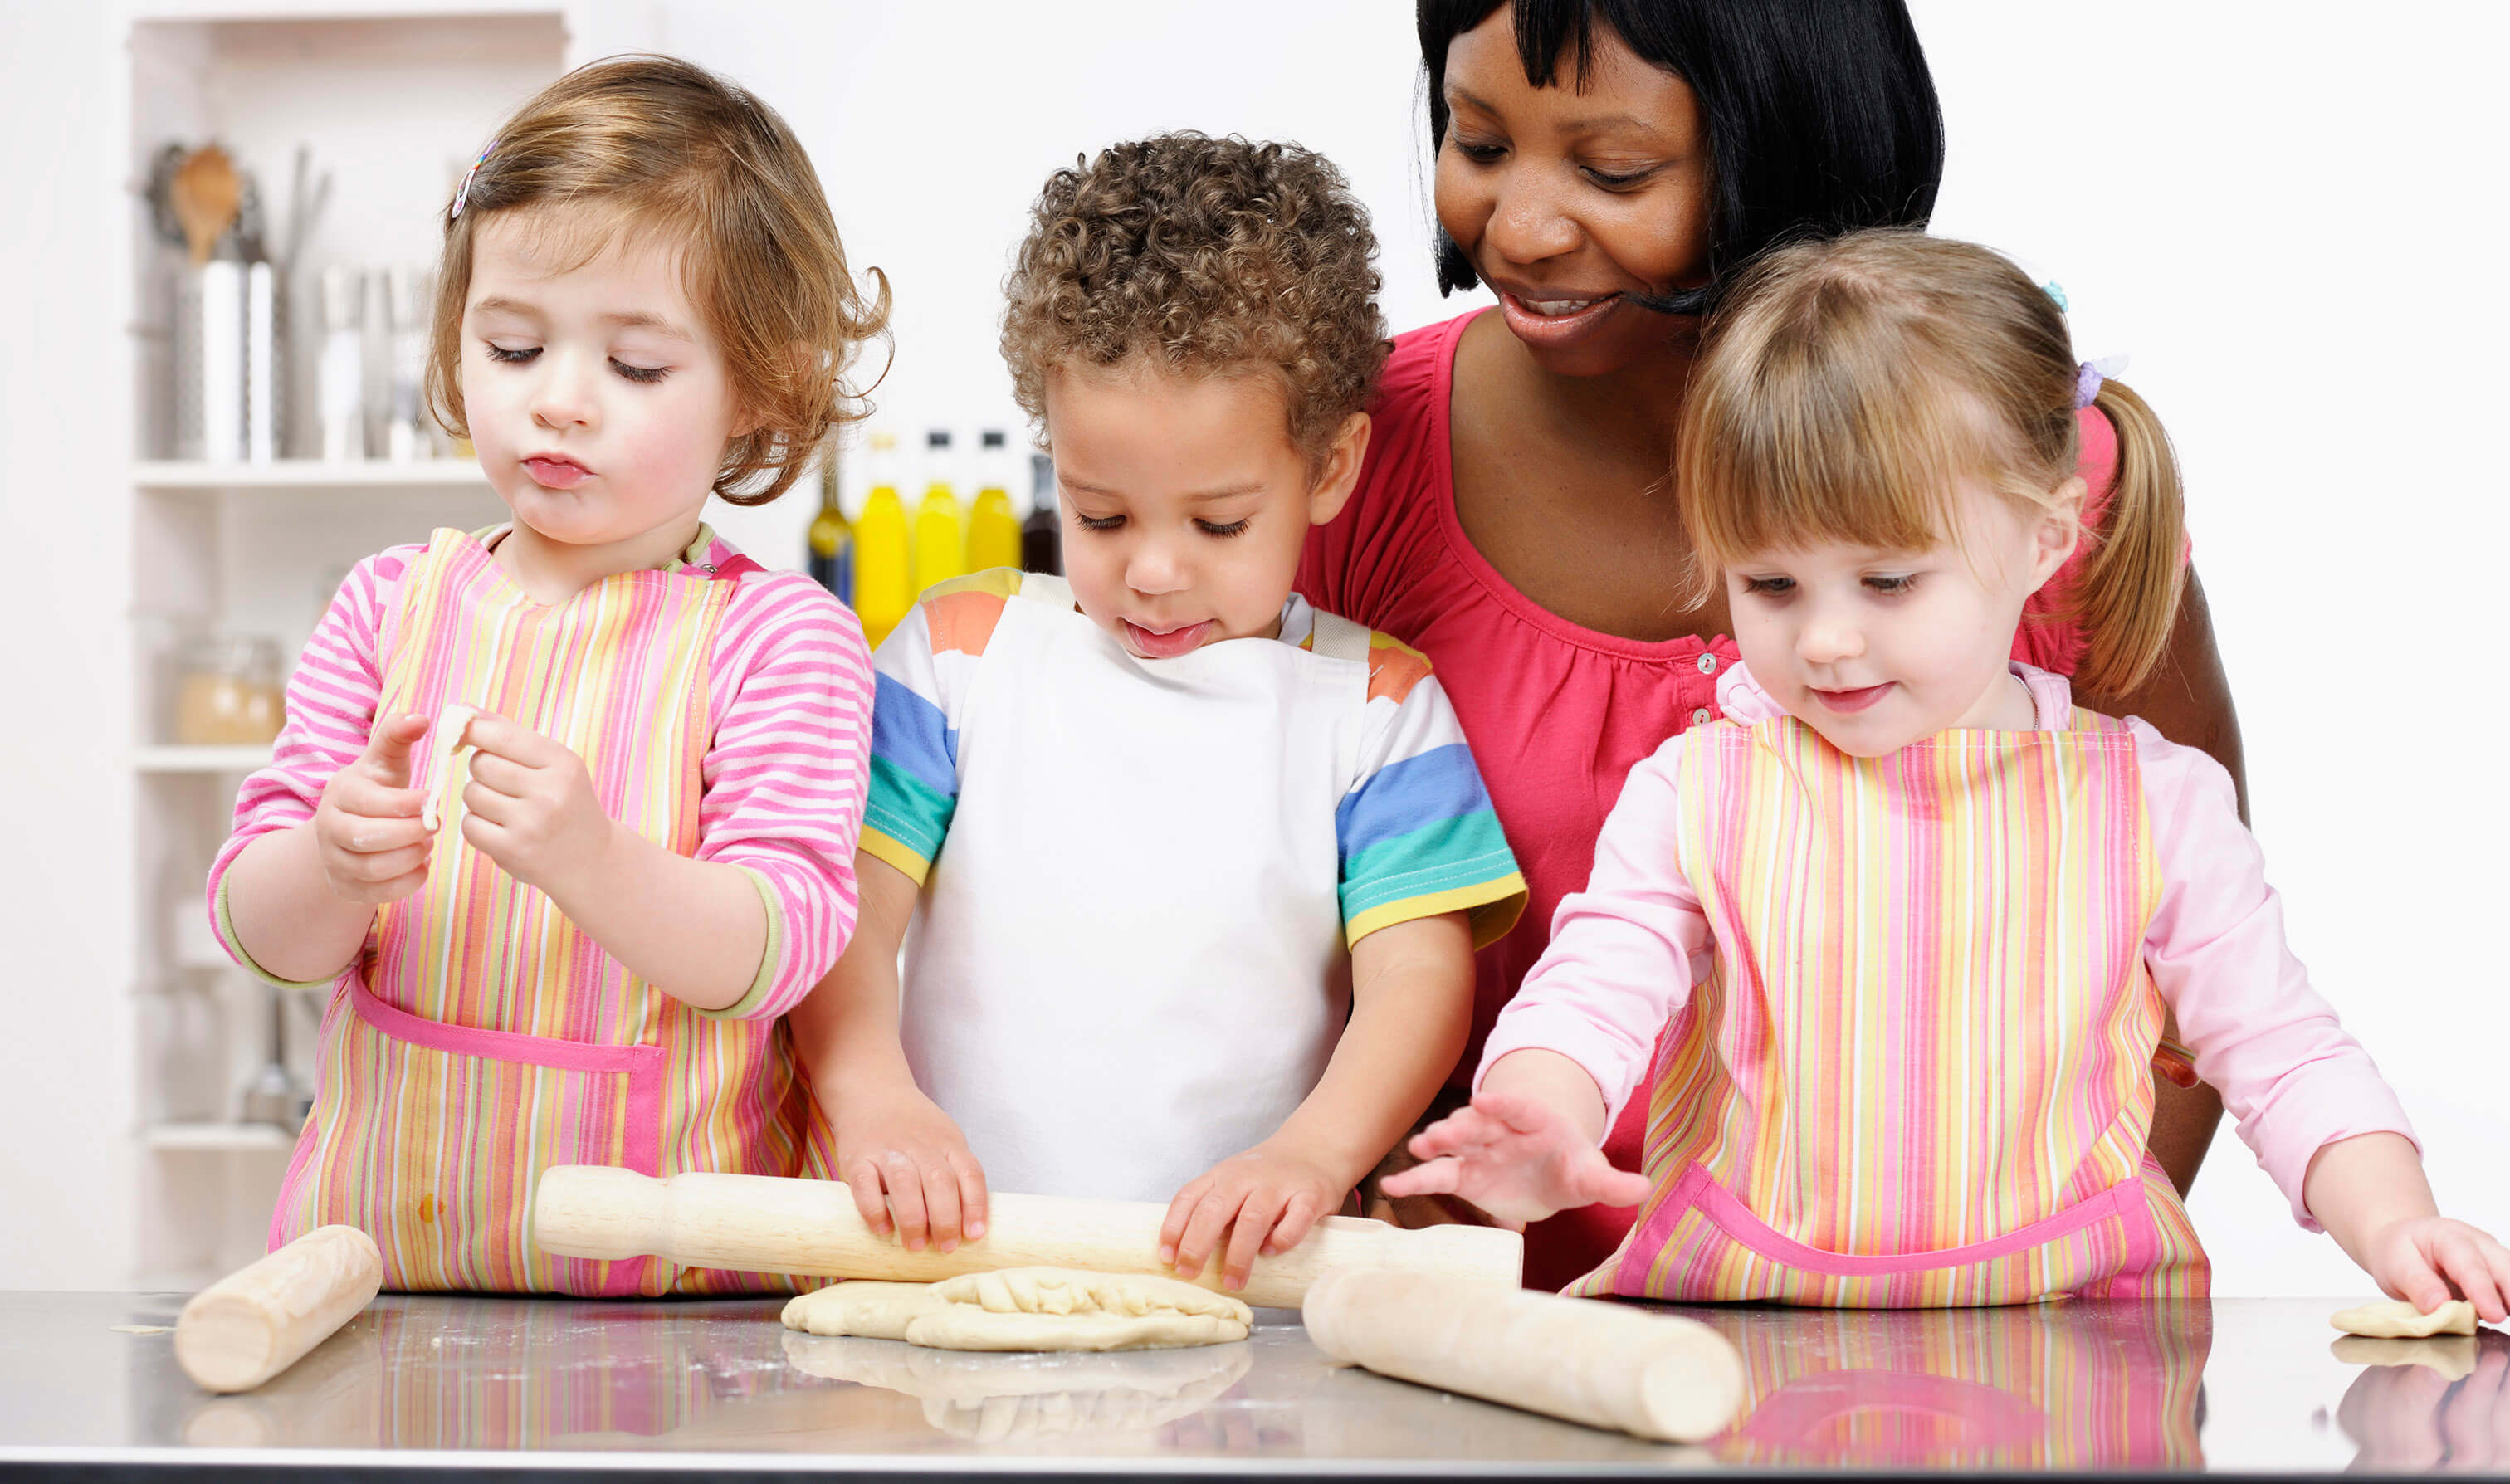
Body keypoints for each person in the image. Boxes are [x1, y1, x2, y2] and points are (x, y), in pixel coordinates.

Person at [1386, 230, 2510, 1318]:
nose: (1824, 640)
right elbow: (1600, 982)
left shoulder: (2152, 807)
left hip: (2070, 1340)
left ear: (2045, 540)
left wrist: (2397, 1222)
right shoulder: (1698, 791)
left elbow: (2281, 1050)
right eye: (1770, 585)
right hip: (1741, 1324)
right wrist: (1538, 1105)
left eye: (1887, 582)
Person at [1298, 0, 2241, 1289]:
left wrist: (2035, 1297)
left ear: (1786, 153)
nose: (1518, 228)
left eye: (1611, 168)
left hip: (1956, 1330)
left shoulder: (2037, 480)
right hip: (1480, 1332)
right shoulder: (1352, 457)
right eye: (1476, 143)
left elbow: (2196, 990)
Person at [789, 134, 1527, 1292]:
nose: (1152, 572)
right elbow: (843, 916)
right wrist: (874, 1099)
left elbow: (1419, 985)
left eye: (1218, 523)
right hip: (941, 1264)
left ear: (1329, 468)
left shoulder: (1379, 707)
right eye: (1102, 515)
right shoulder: (958, 653)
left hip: (1235, 1288)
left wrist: (1314, 1154)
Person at [204, 56, 885, 1295]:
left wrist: (596, 861)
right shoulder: (383, 608)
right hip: (375, 1276)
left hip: (672, 1312)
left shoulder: (783, 642)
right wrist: (326, 867)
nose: (559, 403)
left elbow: (777, 950)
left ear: (756, 390)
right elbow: (259, 937)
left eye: (635, 368)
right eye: (513, 344)